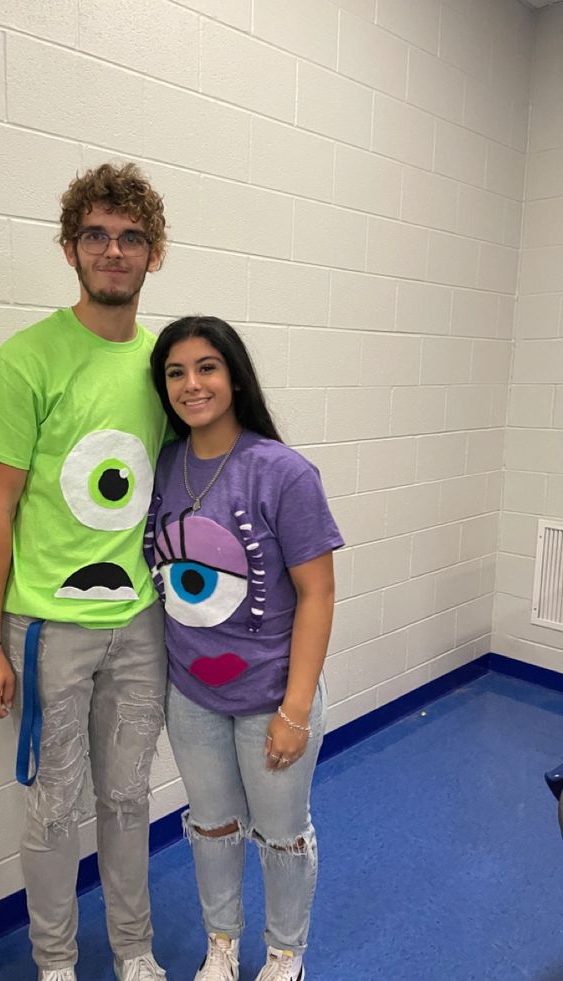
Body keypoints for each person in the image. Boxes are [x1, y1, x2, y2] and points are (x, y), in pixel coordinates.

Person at [0, 162, 170, 981]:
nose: (112, 250)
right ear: (71, 248)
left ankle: (134, 949)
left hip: (141, 626)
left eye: (130, 238)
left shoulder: (165, 369)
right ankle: (55, 962)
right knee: (53, 810)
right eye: (96, 236)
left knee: (126, 800)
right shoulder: (25, 362)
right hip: (48, 630)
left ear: (154, 255)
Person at [147, 316, 343, 981]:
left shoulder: (282, 471)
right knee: (211, 825)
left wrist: (294, 709)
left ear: (233, 376)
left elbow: (316, 593)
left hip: (271, 696)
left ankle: (286, 953)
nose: (191, 383)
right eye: (176, 371)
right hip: (193, 694)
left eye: (206, 367)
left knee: (282, 832)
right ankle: (221, 946)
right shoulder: (167, 463)